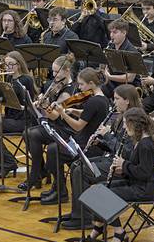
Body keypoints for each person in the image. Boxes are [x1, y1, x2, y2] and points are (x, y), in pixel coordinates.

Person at [63, 84, 141, 229]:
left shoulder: (134, 120)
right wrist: (100, 143)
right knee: (76, 165)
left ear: (127, 100)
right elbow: (115, 147)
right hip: (112, 160)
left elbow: (127, 153)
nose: (114, 102)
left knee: (82, 170)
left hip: (123, 168)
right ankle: (77, 212)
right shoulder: (121, 116)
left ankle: (84, 217)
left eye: (117, 99)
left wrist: (107, 135)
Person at [41, 68, 110, 205]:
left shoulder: (94, 101)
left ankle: (60, 191)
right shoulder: (101, 99)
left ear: (91, 83)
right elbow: (87, 114)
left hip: (88, 146)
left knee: (53, 151)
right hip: (87, 142)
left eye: (82, 84)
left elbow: (78, 126)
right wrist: (72, 110)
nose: (79, 87)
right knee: (54, 149)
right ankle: (59, 188)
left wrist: (63, 113)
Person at [91, 107, 154, 242]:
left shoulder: (146, 145)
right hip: (136, 183)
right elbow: (136, 168)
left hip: (144, 189)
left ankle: (119, 232)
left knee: (106, 194)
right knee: (99, 188)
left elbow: (145, 173)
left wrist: (124, 164)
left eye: (125, 124)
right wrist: (121, 170)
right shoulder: (139, 140)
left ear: (134, 124)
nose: (124, 128)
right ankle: (98, 227)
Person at [21, 55, 76, 190]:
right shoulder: (55, 84)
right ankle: (39, 173)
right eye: (53, 71)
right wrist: (36, 104)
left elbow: (55, 116)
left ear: (67, 71)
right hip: (52, 125)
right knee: (28, 133)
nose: (54, 75)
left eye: (57, 72)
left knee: (31, 134)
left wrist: (44, 106)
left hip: (64, 129)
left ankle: (36, 175)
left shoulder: (69, 91)